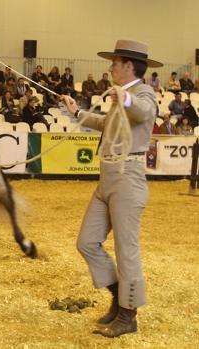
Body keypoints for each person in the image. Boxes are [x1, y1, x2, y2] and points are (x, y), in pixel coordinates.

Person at [62, 39, 162, 338]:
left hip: (127, 176)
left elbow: (145, 112)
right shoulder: (124, 96)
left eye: (114, 63)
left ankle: (128, 314)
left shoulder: (142, 93)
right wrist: (76, 113)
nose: (110, 67)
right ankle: (120, 301)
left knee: (126, 249)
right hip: (108, 177)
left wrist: (124, 98)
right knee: (87, 242)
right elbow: (108, 123)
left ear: (128, 66)